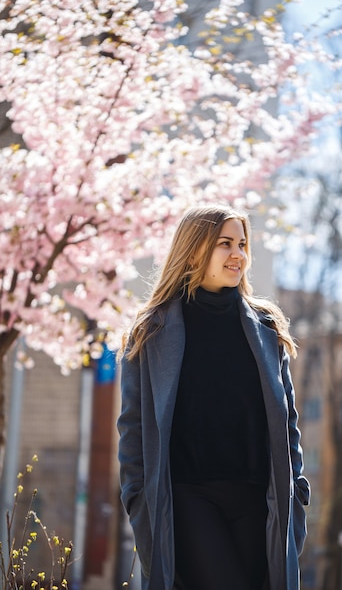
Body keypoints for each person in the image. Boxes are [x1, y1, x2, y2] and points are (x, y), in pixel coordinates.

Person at [117, 204, 310, 590]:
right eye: (225, 244)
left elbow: (287, 418)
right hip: (188, 496)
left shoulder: (266, 326)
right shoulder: (152, 330)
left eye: (242, 244)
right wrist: (137, 497)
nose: (238, 254)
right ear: (193, 251)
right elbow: (133, 428)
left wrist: (298, 490)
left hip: (260, 499)